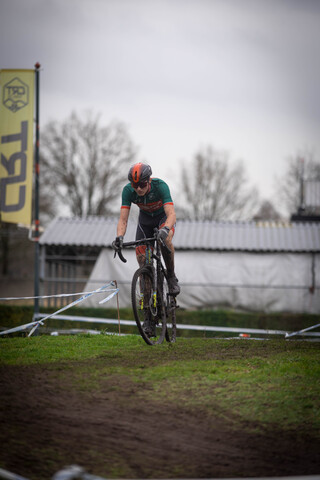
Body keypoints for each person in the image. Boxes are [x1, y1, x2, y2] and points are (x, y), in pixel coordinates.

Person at [113, 163, 180, 335]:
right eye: (135, 185)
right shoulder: (128, 191)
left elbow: (171, 213)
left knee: (167, 240)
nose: (139, 189)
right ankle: (149, 319)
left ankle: (171, 276)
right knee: (143, 264)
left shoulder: (160, 186)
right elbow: (123, 219)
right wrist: (119, 238)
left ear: (149, 180)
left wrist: (165, 229)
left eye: (142, 184)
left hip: (162, 219)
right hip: (145, 223)